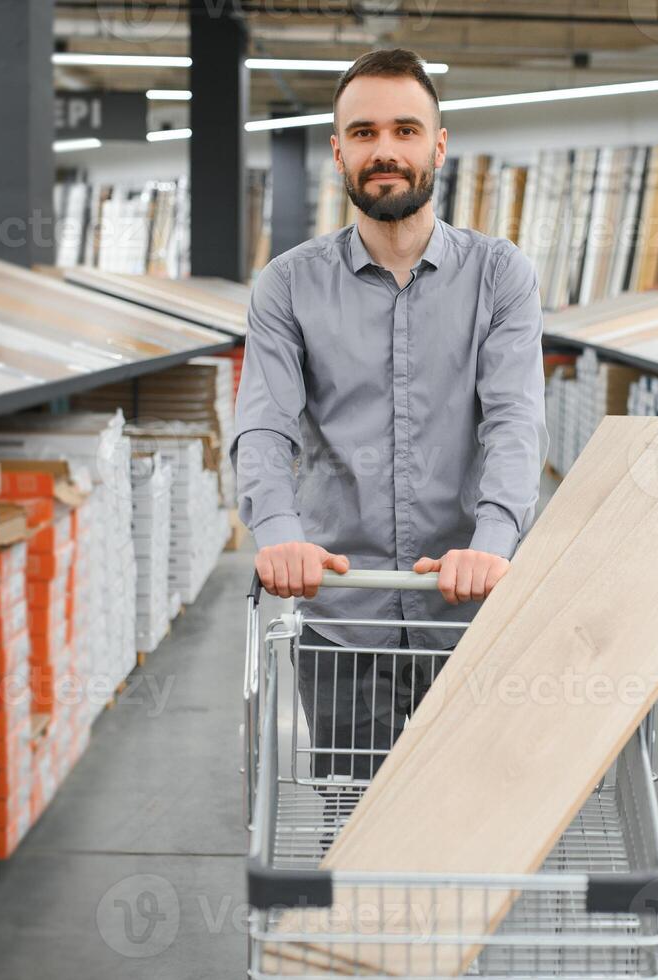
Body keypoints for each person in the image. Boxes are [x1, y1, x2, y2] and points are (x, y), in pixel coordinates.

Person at [230, 48, 548, 795]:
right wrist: (277, 532)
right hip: (343, 622)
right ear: (338, 150)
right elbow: (265, 424)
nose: (385, 151)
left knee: (472, 823)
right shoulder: (286, 286)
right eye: (364, 133)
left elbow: (515, 422)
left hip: (468, 615)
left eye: (406, 130)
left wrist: (493, 541)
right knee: (356, 828)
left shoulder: (500, 275)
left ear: (437, 145)